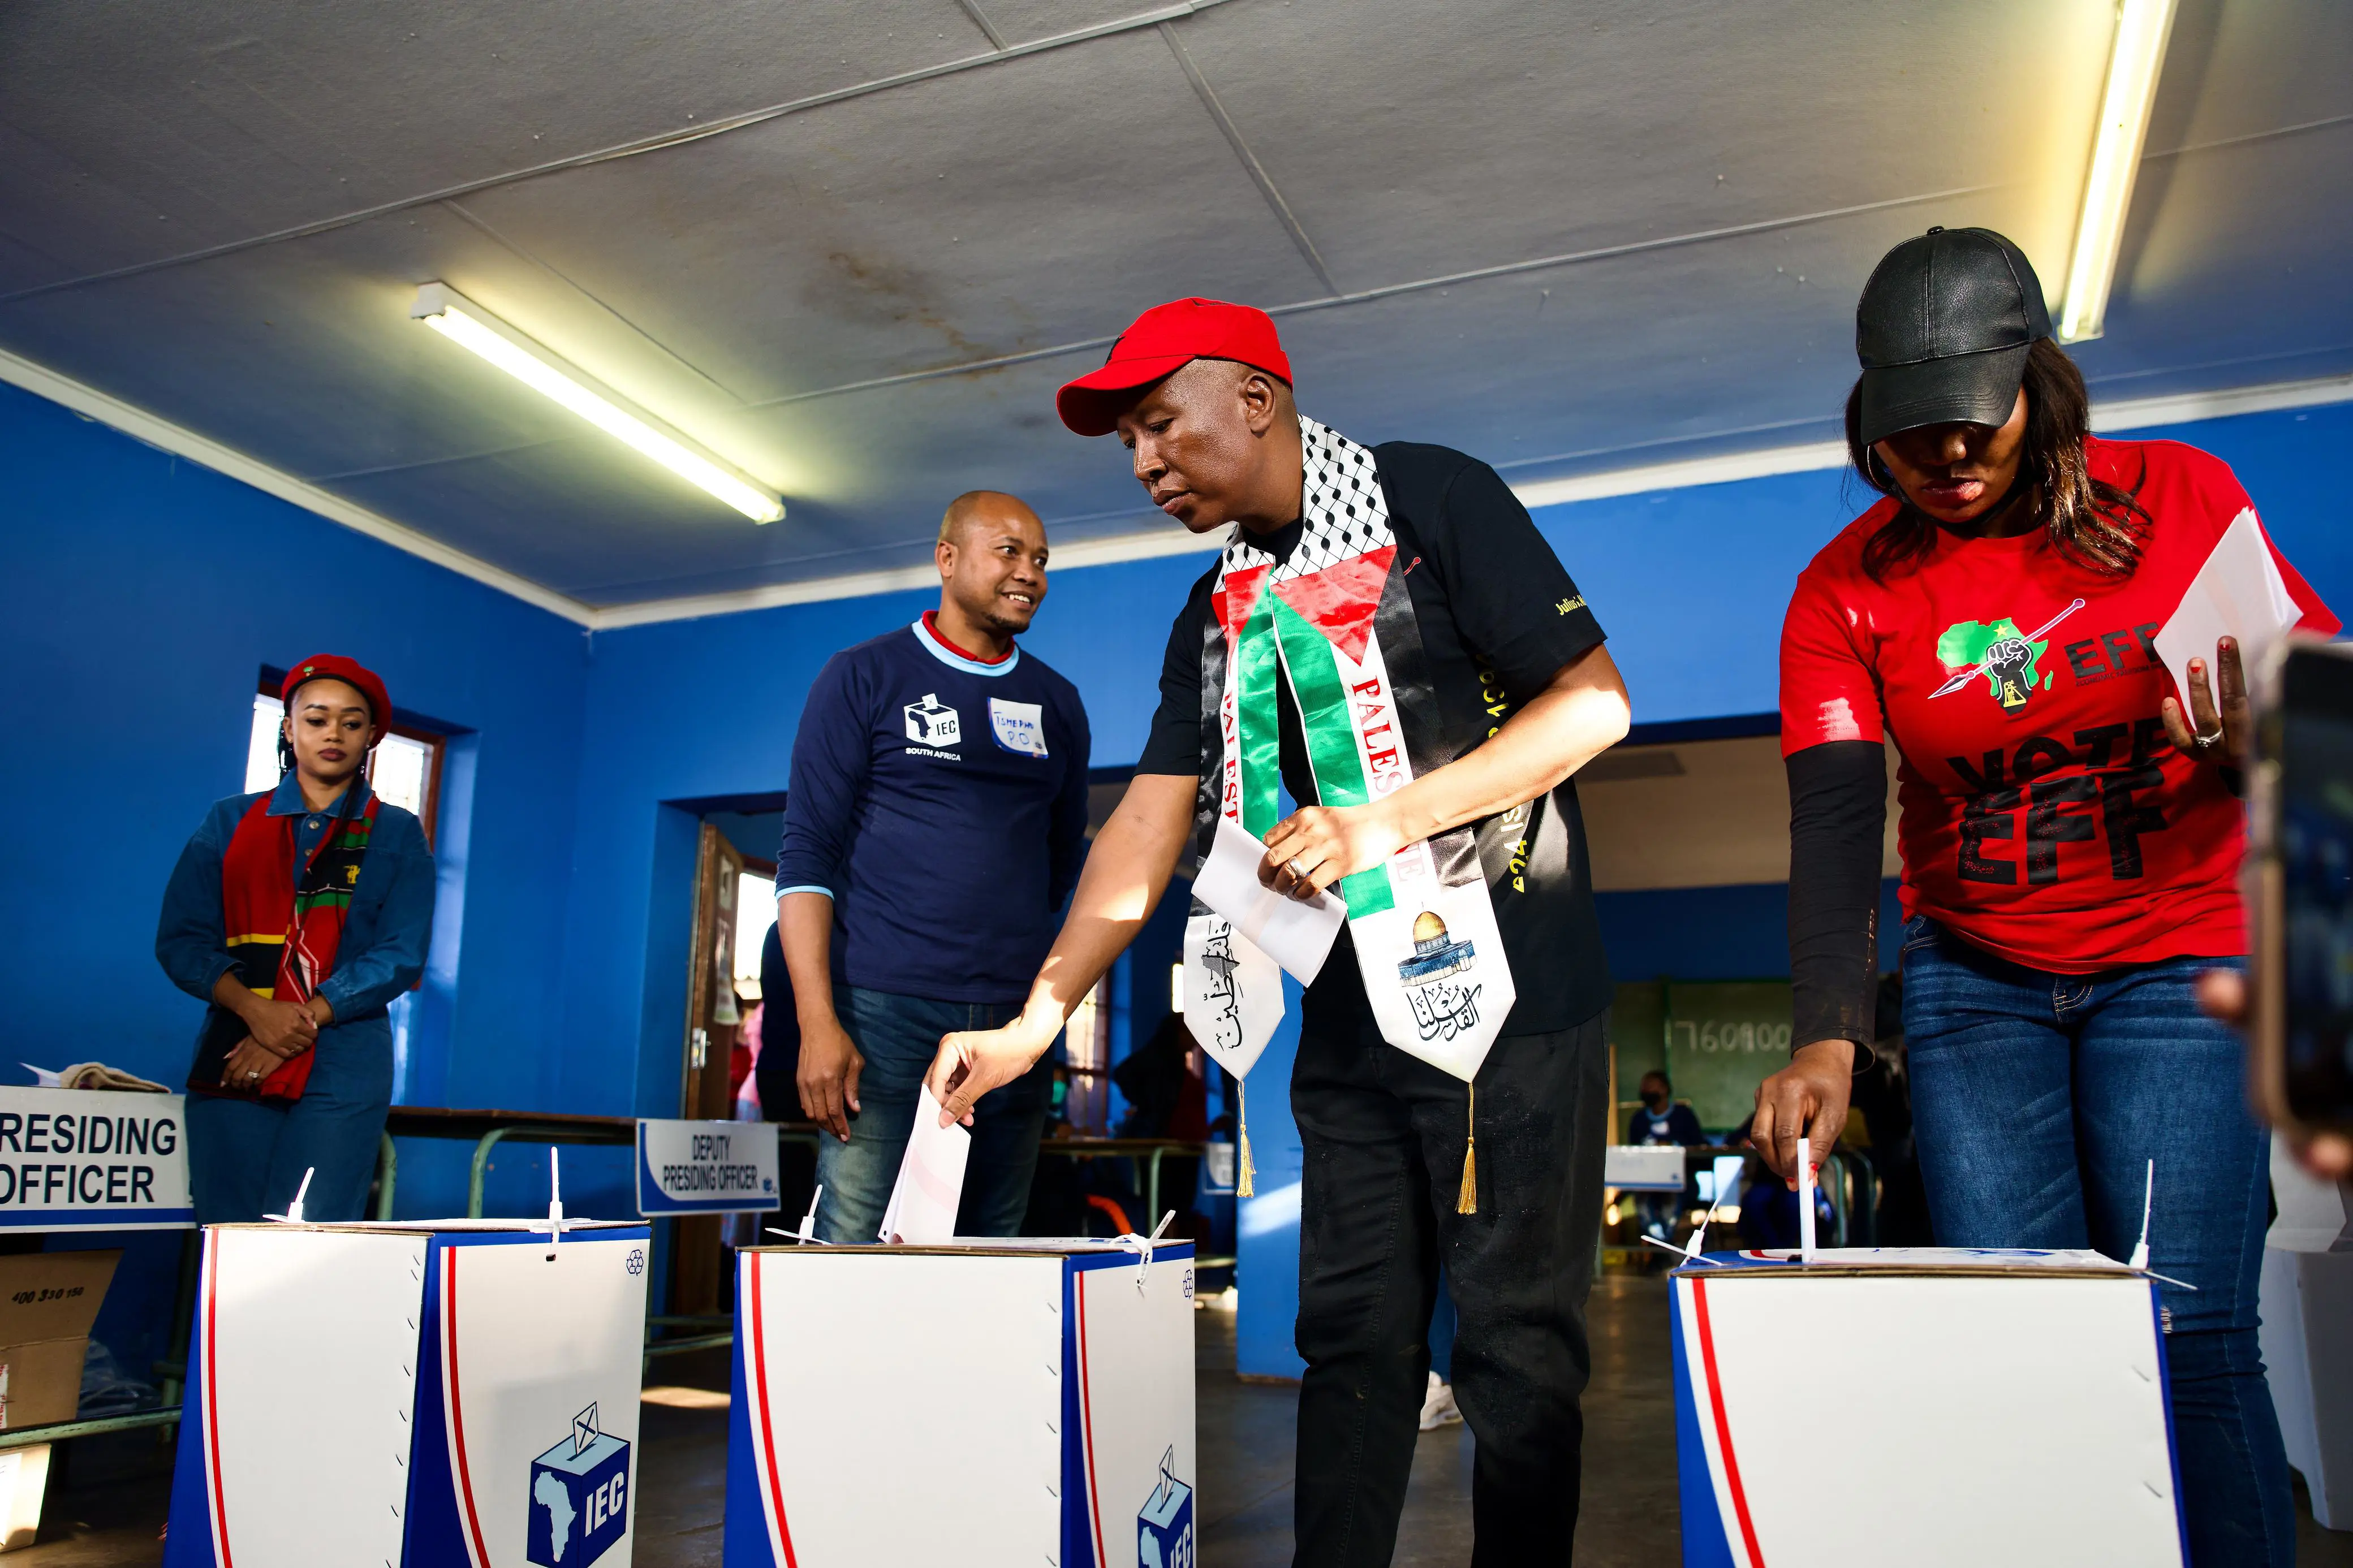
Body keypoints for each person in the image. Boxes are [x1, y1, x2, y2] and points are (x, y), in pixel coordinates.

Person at [924, 299, 1632, 1565]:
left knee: (1516, 1347)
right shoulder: (1213, 611)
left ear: (1255, 400)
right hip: (1354, 1018)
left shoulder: (1434, 501)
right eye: (1127, 443)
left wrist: (1384, 821)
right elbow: (1148, 823)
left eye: (1157, 426)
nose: (1141, 463)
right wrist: (1039, 1017)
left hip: (1514, 1006)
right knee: (1351, 1333)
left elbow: (1590, 709)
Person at [1753, 227, 2338, 1567]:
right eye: (1911, 438)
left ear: (2038, 385)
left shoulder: (2177, 499)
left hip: (2179, 960)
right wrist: (1827, 1038)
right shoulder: (1847, 592)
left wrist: (2268, 745)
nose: (1947, 462)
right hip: (1975, 981)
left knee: (2187, 1332)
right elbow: (1839, 831)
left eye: (1973, 428)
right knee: (2026, 1338)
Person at [775, 491, 1090, 1241]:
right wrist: (817, 1024)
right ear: (947, 559)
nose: (1030, 573)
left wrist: (1033, 1011)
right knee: (854, 1234)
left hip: (1014, 1021)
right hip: (882, 1013)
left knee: (990, 1240)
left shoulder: (1058, 703)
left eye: (1041, 559)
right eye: (1008, 550)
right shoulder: (863, 676)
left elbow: (1060, 864)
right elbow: (806, 856)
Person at [156, 656, 435, 1224]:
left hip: (345, 1058)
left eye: (352, 722)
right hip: (237, 1048)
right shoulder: (228, 822)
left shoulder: (397, 832)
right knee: (227, 1229)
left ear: (371, 737)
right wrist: (257, 1012)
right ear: (289, 728)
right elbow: (183, 940)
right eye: (316, 718)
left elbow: (400, 955)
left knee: (313, 1233)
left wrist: (295, 1019)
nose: (333, 733)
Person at [1628, 1070, 1704, 1241]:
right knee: (1643, 1203)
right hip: (1648, 1184)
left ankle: (1664, 1248)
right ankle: (1658, 1248)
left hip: (1682, 1182)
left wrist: (1673, 1147)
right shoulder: (1638, 1120)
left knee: (1669, 1203)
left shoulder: (1683, 1115)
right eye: (1643, 1088)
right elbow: (1632, 1154)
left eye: (1649, 1086)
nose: (1645, 1091)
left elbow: (1699, 1147)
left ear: (1664, 1089)